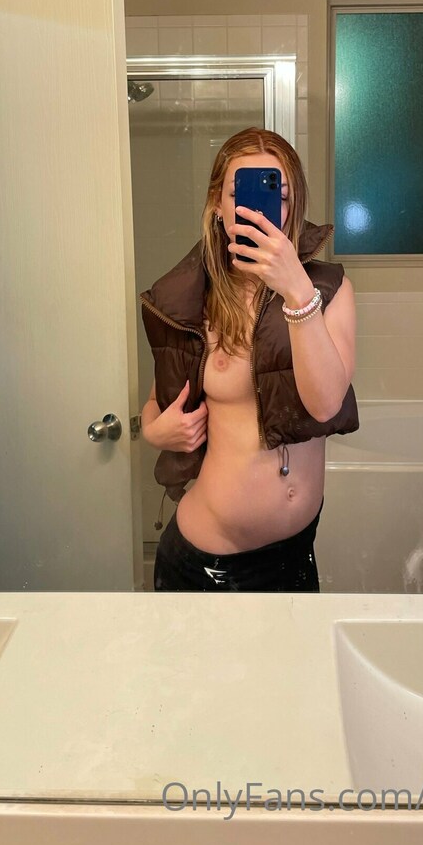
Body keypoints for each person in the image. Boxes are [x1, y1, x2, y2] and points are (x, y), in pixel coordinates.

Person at [139, 128, 358, 592]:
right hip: (208, 562)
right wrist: (156, 433)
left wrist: (297, 291)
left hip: (297, 549)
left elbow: (325, 405)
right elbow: (158, 406)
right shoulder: (191, 302)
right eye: (240, 194)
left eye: (277, 195)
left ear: (293, 205)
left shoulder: (328, 290)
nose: (258, 210)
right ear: (217, 205)